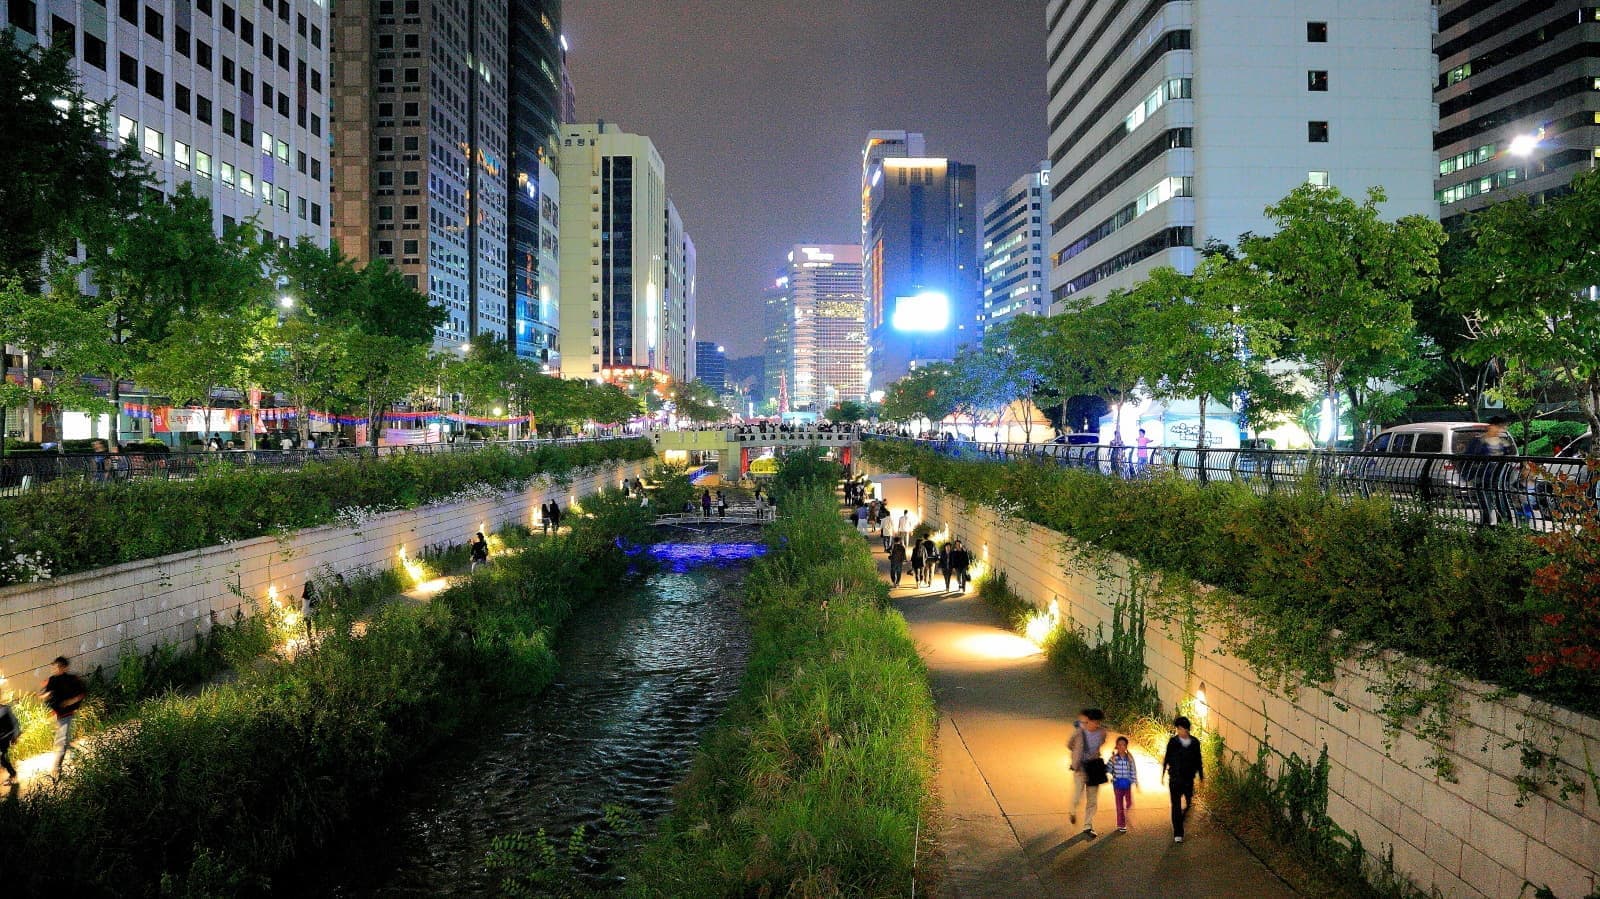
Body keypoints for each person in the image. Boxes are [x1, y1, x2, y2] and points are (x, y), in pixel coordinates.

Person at [1465, 417, 1516, 528]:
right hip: (1482, 479)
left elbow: (1509, 459)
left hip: (1498, 480)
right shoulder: (1479, 442)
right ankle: (1487, 528)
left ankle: (1503, 527)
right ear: (1491, 426)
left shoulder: (1503, 443)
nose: (1499, 430)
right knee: (1486, 506)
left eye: (1501, 427)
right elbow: (1468, 459)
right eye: (1498, 427)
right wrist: (1469, 477)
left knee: (1501, 504)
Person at [40, 656, 86, 778]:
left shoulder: (71, 679)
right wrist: (44, 696)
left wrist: (71, 702)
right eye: (54, 666)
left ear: (64, 668)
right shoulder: (52, 680)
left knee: (61, 741)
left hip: (66, 714)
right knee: (61, 740)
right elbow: (47, 693)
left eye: (57, 666)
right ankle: (77, 754)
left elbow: (81, 693)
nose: (55, 669)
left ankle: (56, 768)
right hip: (56, 715)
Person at [1162, 715, 1204, 843]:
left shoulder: (1195, 743)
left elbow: (1198, 760)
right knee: (1175, 805)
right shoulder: (1173, 742)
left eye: (1181, 729)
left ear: (1187, 729)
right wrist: (1163, 773)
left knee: (1189, 802)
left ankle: (1180, 818)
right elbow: (1167, 757)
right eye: (1178, 729)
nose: (1179, 731)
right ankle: (1178, 832)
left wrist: (1201, 776)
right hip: (1175, 778)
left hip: (1188, 779)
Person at [1068, 707, 1108, 837]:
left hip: (1094, 768)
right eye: (1095, 722)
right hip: (1080, 768)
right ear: (1088, 721)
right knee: (1077, 796)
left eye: (1099, 722)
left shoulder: (1102, 733)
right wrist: (1076, 756)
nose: (1097, 725)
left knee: (1092, 800)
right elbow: (1069, 744)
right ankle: (1072, 811)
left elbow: (1101, 743)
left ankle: (1088, 825)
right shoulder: (1079, 732)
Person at [1109, 735, 1139, 832]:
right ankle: (1121, 824)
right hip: (1117, 784)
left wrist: (1135, 781)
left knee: (1129, 802)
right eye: (1119, 745)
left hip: (1127, 784)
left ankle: (1125, 813)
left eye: (1124, 745)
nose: (1122, 747)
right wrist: (1112, 762)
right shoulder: (1114, 758)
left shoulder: (1129, 758)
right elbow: (1108, 769)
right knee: (1119, 805)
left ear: (1126, 747)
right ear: (1116, 746)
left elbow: (1133, 769)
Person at [0, 694, 19, 788]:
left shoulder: (5, 709)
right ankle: (12, 773)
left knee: (3, 757)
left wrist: (15, 735)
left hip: (6, 736)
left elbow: (15, 722)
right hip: (2, 737)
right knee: (3, 758)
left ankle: (13, 774)